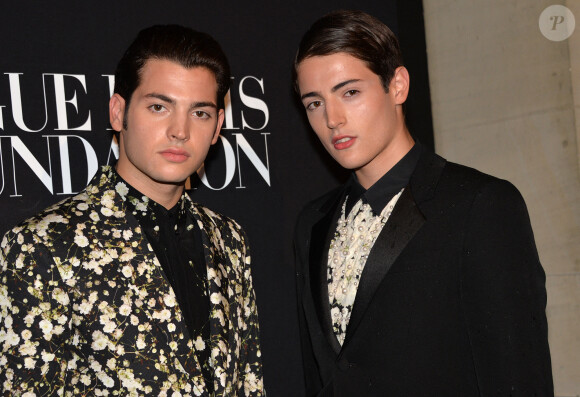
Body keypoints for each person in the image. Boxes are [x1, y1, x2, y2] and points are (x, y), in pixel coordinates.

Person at [293, 10, 552, 396]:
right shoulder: (312, 223)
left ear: (397, 85)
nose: (332, 118)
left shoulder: (480, 206)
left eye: (350, 92)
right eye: (314, 103)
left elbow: (518, 376)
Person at [0, 25, 264, 396]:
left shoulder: (230, 238)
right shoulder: (43, 245)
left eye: (200, 113)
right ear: (118, 111)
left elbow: (249, 383)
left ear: (218, 125)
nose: (180, 131)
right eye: (159, 107)